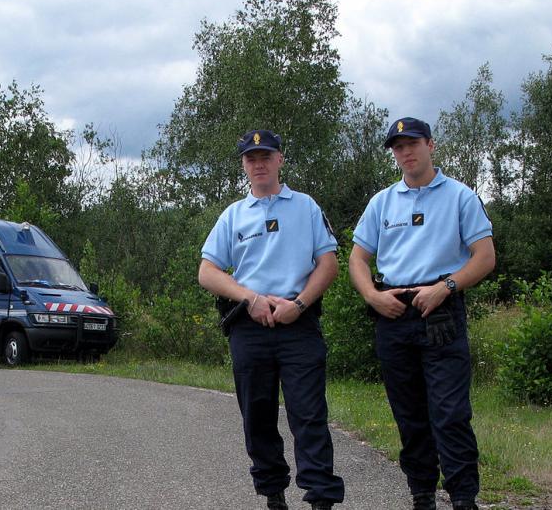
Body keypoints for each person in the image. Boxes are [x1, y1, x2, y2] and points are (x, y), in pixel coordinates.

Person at [349, 117, 495, 510]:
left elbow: (484, 258)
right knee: (409, 415)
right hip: (393, 313)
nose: (405, 152)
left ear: (430, 145)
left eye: (412, 143)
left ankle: (464, 498)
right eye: (398, 147)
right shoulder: (383, 202)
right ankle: (422, 495)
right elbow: (358, 258)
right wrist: (371, 296)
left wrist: (445, 287)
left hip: (440, 311)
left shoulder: (460, 197)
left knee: (449, 414)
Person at [198, 129, 344, 510]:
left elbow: (328, 264)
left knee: (309, 415)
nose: (259, 163)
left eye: (266, 156)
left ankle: (320, 500)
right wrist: (251, 298)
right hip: (250, 326)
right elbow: (207, 272)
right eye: (251, 158)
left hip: (299, 323)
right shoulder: (233, 215)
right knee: (258, 417)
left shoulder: (306, 207)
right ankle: (273, 496)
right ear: (244, 165)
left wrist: (300, 303)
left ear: (280, 159)